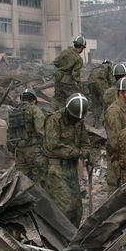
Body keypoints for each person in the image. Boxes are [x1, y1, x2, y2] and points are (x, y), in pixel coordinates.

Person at [42, 93, 89, 224]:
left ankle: (72, 237)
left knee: (77, 209)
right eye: (73, 118)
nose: (76, 122)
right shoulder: (54, 120)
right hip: (55, 169)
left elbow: (85, 141)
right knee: (65, 207)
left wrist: (86, 152)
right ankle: (60, 239)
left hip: (71, 168)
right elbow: (53, 146)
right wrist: (77, 152)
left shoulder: (79, 121)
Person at [104, 75, 126, 190]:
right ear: (120, 93)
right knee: (115, 193)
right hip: (118, 161)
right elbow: (115, 141)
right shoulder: (114, 111)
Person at [8, 88, 46, 182]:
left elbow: (9, 133)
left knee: (23, 178)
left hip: (19, 150)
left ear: (21, 98)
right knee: (39, 177)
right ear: (34, 100)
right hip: (33, 150)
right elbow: (41, 130)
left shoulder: (13, 112)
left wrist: (13, 150)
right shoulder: (34, 110)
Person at [52, 36, 86, 108]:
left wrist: (62, 68)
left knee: (58, 100)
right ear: (82, 47)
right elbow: (75, 75)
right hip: (68, 82)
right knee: (73, 100)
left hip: (58, 79)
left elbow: (56, 62)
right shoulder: (78, 59)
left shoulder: (65, 52)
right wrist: (79, 85)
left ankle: (55, 114)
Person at [86, 58, 114, 122]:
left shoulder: (96, 68)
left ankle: (96, 120)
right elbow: (111, 80)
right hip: (100, 83)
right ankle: (107, 120)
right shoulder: (108, 67)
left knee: (95, 102)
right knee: (106, 101)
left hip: (90, 84)